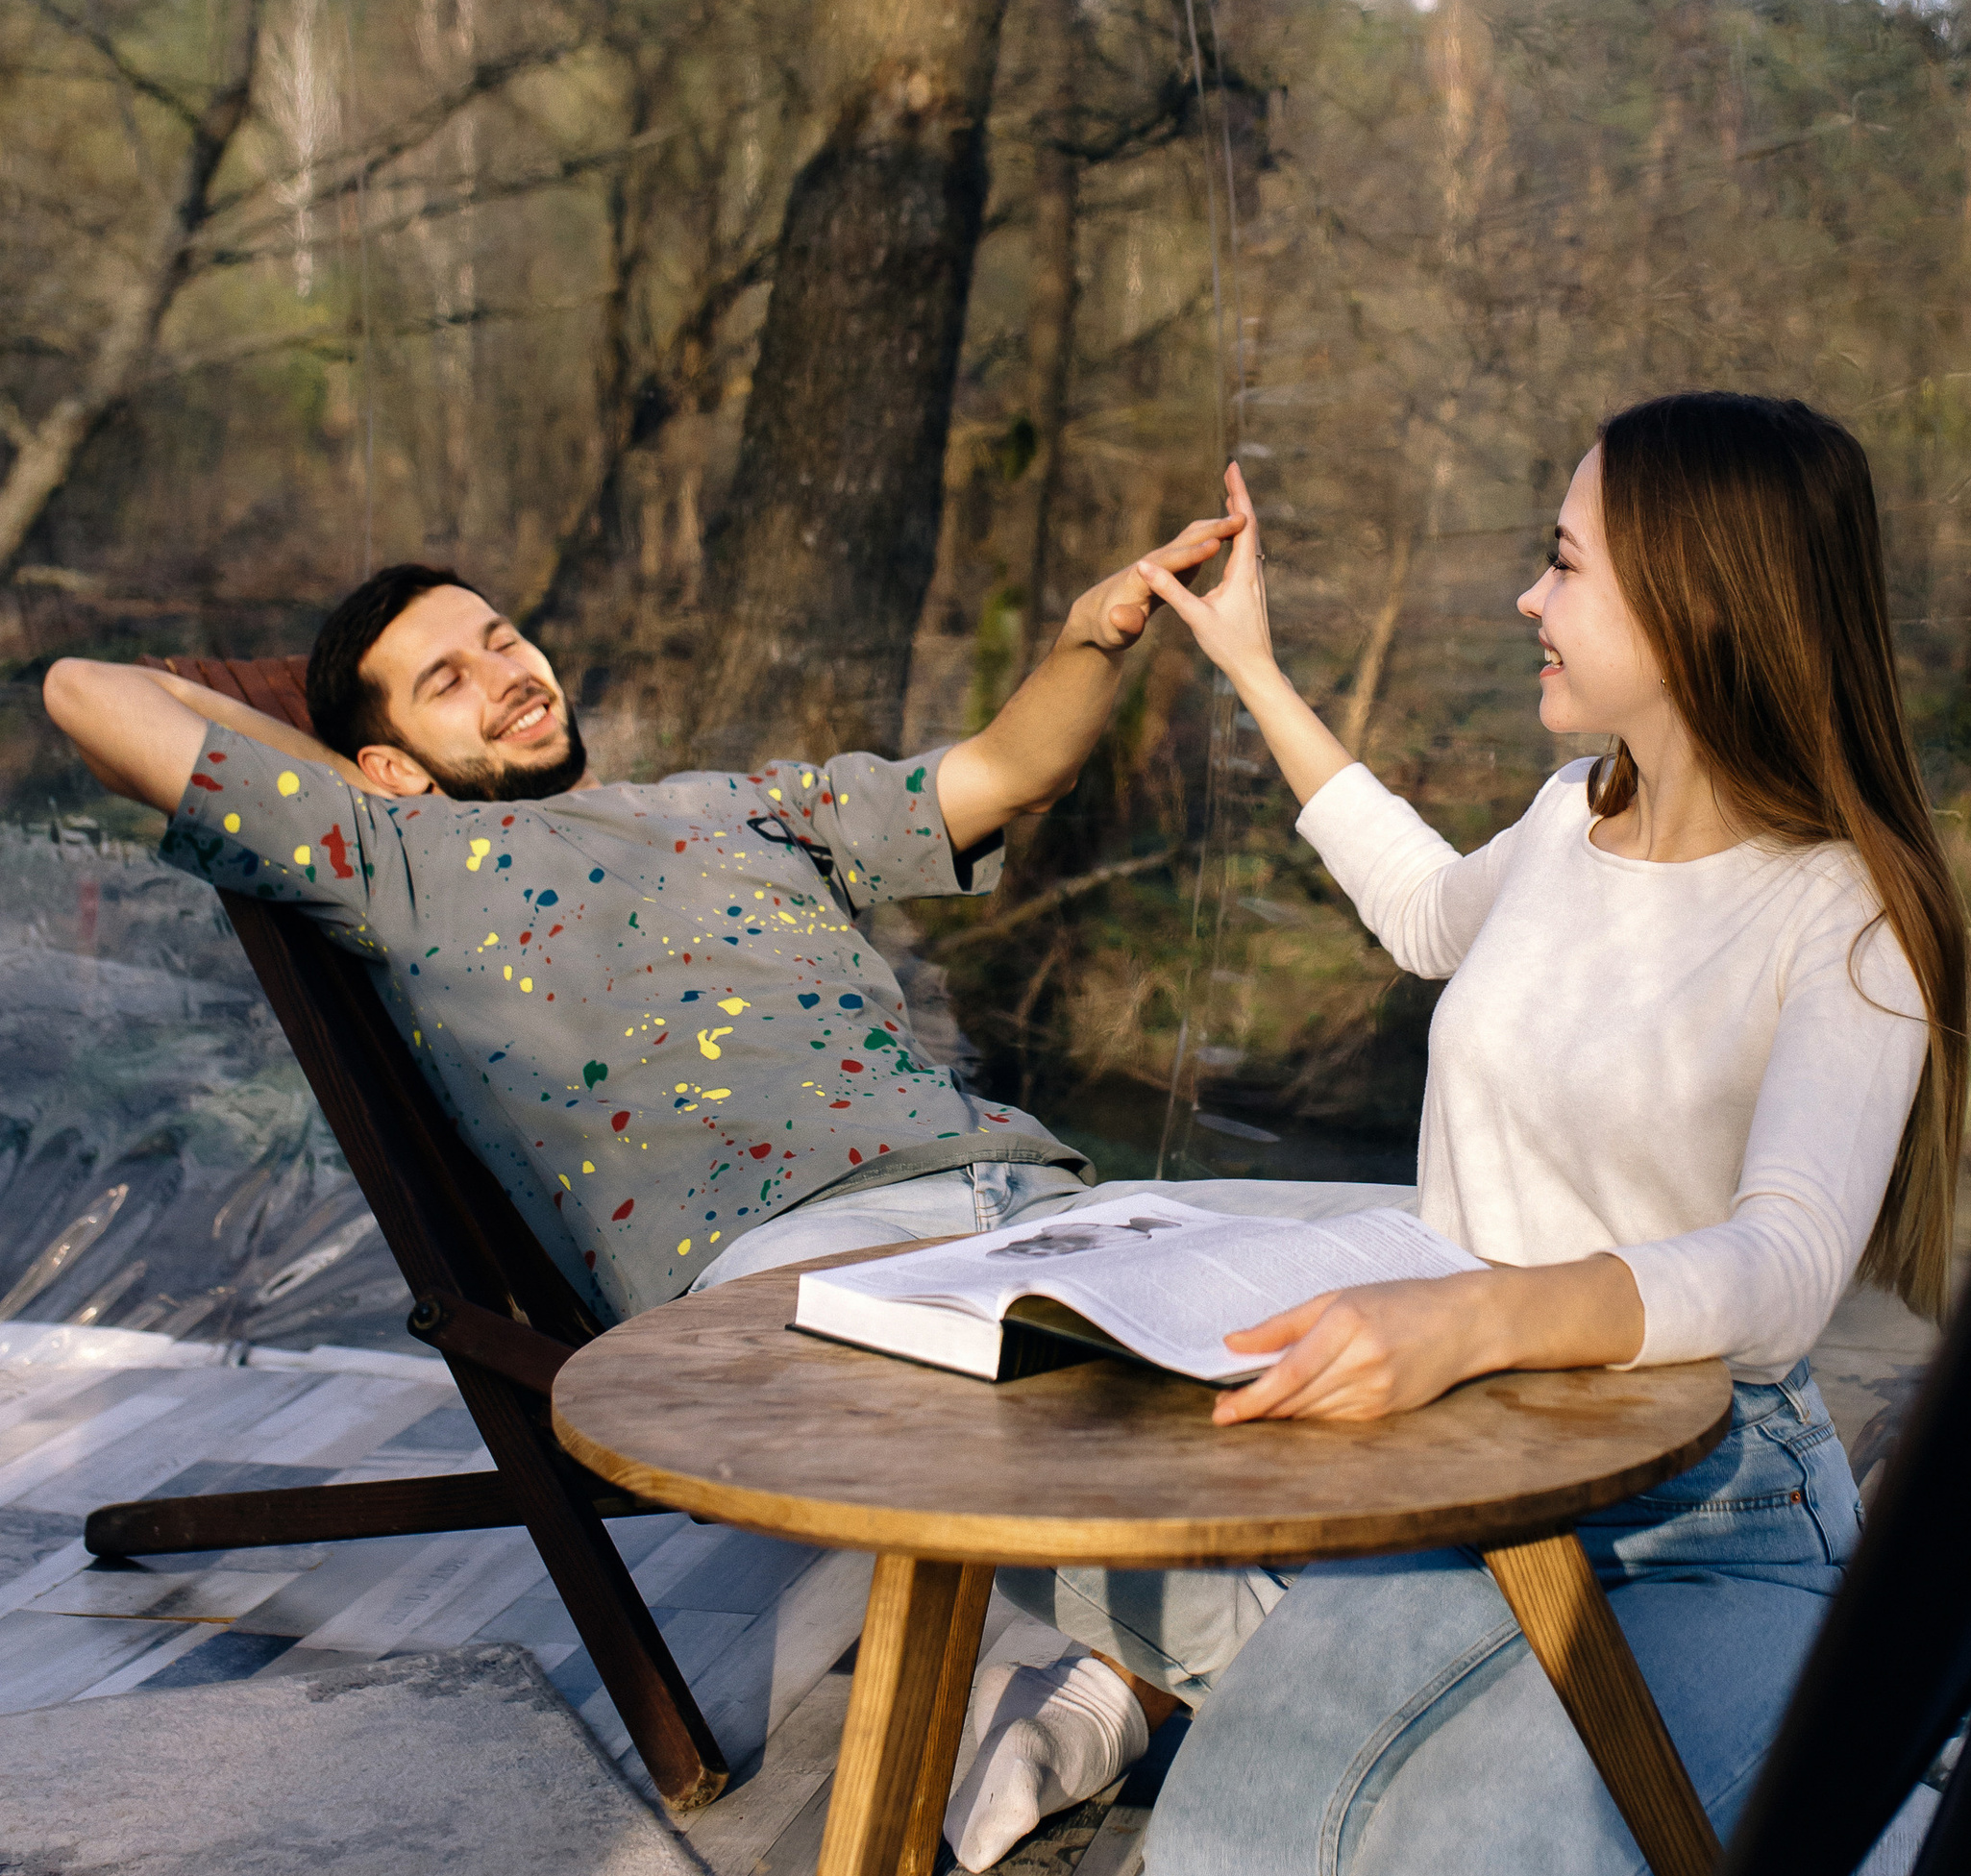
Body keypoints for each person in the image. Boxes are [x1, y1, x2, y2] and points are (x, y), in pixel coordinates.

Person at [960, 394, 1969, 1876]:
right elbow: (1431, 913)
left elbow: (1781, 1277)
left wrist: (1477, 1314)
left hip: (1709, 1505)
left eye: (1564, 564)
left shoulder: (1851, 913)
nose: (1529, 597)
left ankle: (1813, 1701)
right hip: (1469, 1471)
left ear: (1700, 602)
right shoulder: (1580, 812)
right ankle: (1437, 1717)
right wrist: (1256, 674)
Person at [39, 522, 1241, 1323]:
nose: (504, 673)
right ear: (382, 764)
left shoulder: (746, 804)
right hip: (793, 1259)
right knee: (1149, 1445)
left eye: (501, 640)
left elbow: (1004, 774)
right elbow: (87, 693)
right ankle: (1120, 1690)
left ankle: (1102, 1692)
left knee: (1403, 1292)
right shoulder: (399, 864)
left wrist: (1092, 634)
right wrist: (371, 793)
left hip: (1025, 1190)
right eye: (444, 682)